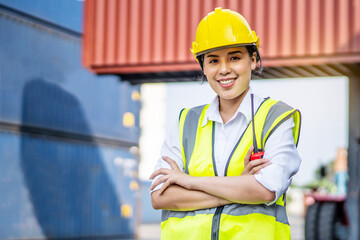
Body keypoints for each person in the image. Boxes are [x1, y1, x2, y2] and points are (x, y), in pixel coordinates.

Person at [150, 7, 301, 240]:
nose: (223, 69)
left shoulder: (275, 118)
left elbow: (266, 189)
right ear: (203, 67)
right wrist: (240, 186)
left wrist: (189, 182)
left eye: (234, 57)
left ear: (252, 60)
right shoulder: (186, 122)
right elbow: (160, 196)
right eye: (213, 60)